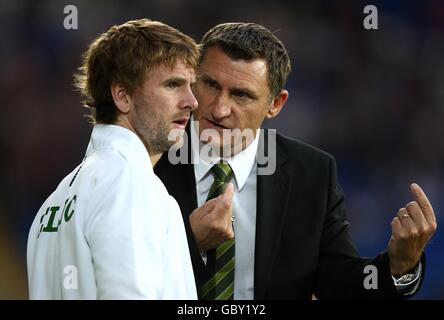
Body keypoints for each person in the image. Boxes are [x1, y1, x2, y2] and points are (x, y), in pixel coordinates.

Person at [154, 22, 437, 299]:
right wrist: (189, 242)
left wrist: (399, 267)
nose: (219, 108)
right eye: (211, 85)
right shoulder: (147, 157)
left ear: (275, 104)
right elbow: (114, 267)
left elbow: (339, 283)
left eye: (241, 95)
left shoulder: (311, 173)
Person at [27, 19, 233, 299]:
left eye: (190, 86)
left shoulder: (55, 201)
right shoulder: (130, 184)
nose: (192, 101)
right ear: (122, 96)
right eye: (173, 84)